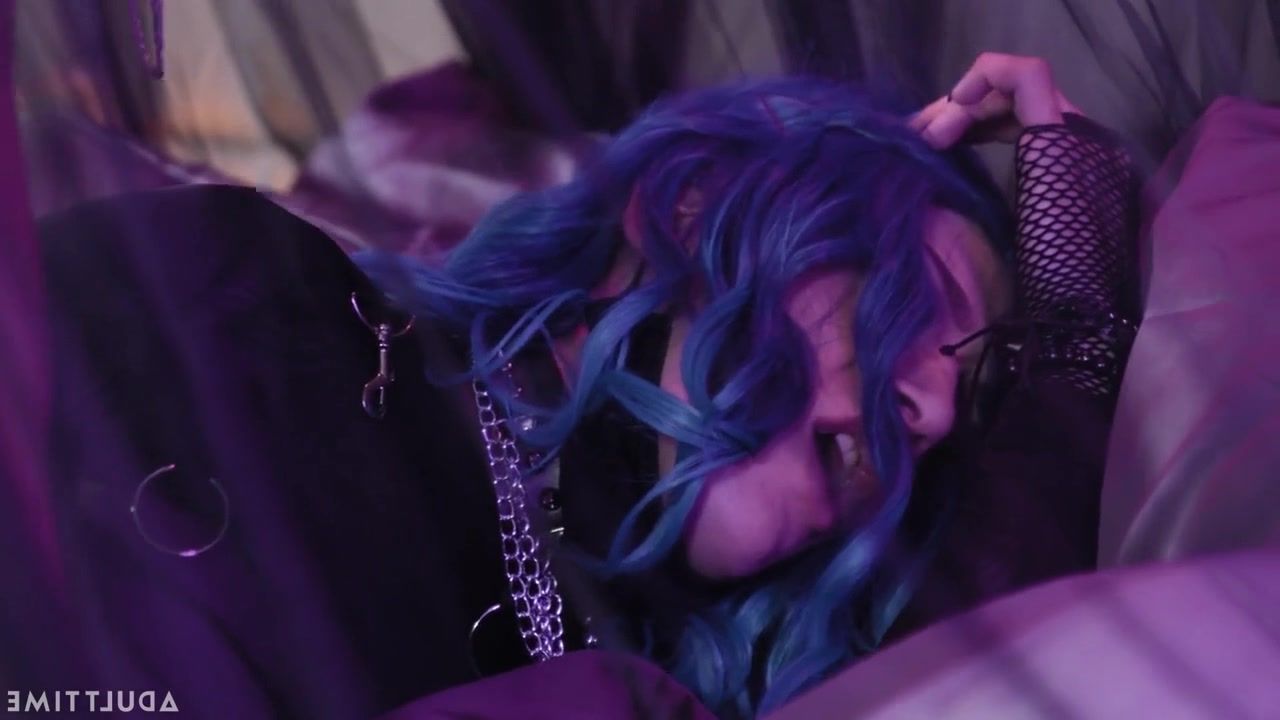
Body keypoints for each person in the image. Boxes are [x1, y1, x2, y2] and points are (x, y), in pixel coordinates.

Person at [38, 52, 1136, 719]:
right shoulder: (242, 292)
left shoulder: (659, 681)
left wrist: (1075, 341)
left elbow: (976, 675)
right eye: (918, 300)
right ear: (695, 209)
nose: (932, 414)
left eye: (969, 400)